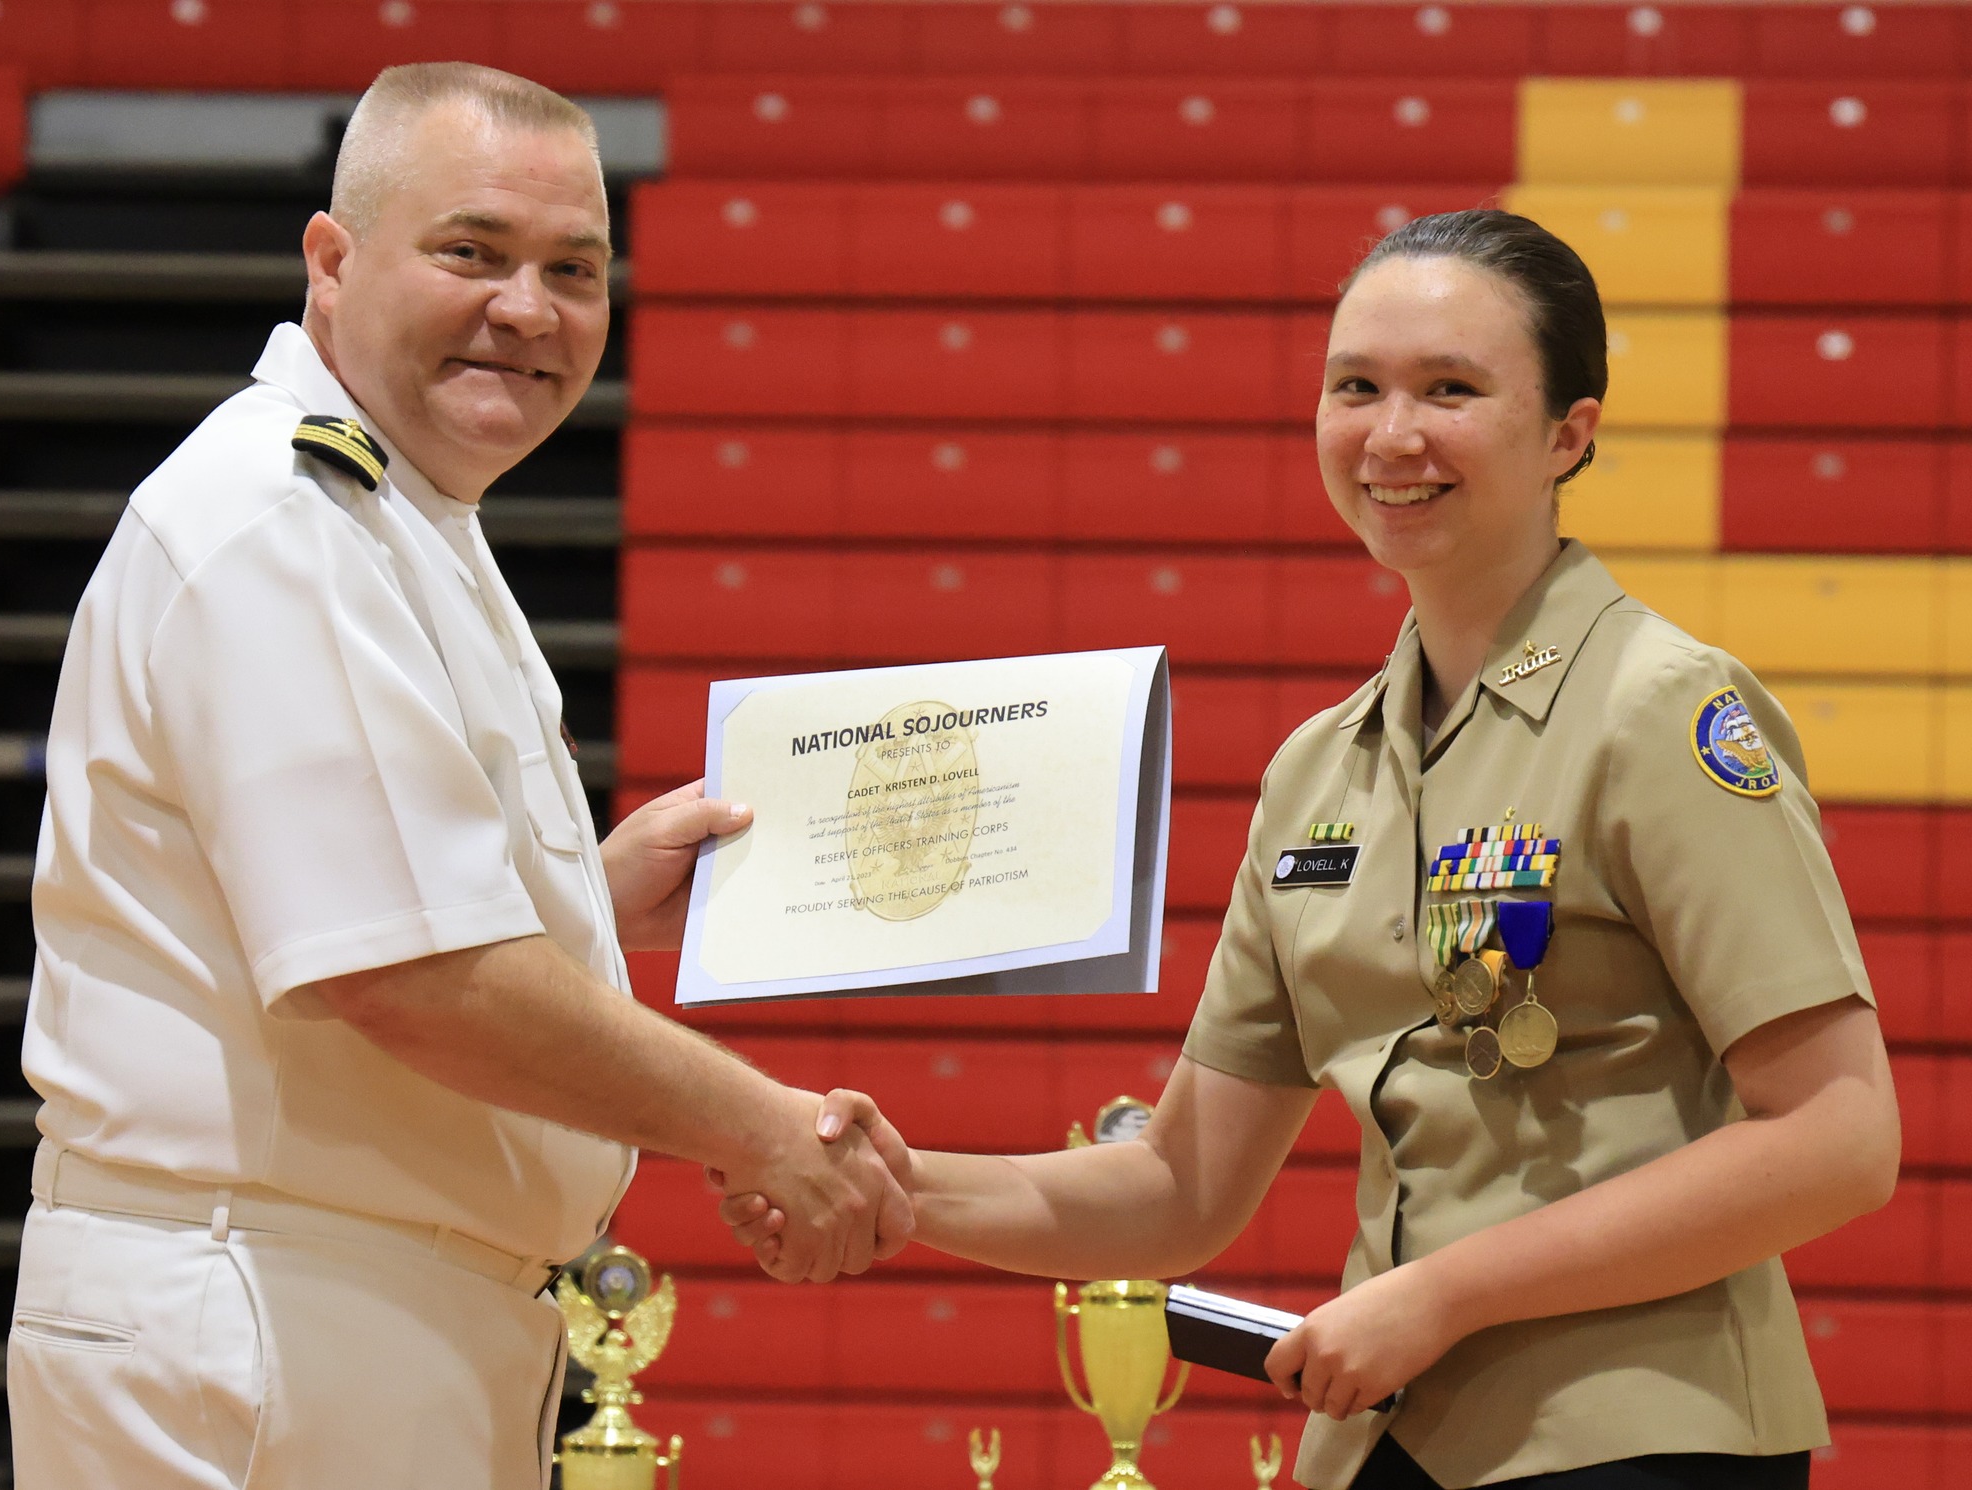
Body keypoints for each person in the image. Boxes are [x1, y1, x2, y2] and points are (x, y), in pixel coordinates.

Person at [718, 211, 1901, 1490]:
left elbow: (1837, 1133)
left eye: (1448, 389)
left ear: (1568, 433)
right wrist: (892, 1185)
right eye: (1355, 387)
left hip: (1638, 1436)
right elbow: (1179, 1185)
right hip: (1385, 1435)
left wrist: (1441, 1291)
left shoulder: (1657, 709)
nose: (1390, 435)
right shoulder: (1316, 771)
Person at [10, 62, 907, 1490]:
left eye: (574, 269)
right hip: (270, 1316)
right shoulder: (283, 521)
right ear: (332, 259)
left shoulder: (400, 513)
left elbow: (348, 912)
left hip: (346, 1306)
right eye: (473, 252)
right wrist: (763, 1128)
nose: (529, 311)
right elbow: (410, 977)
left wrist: (592, 898)